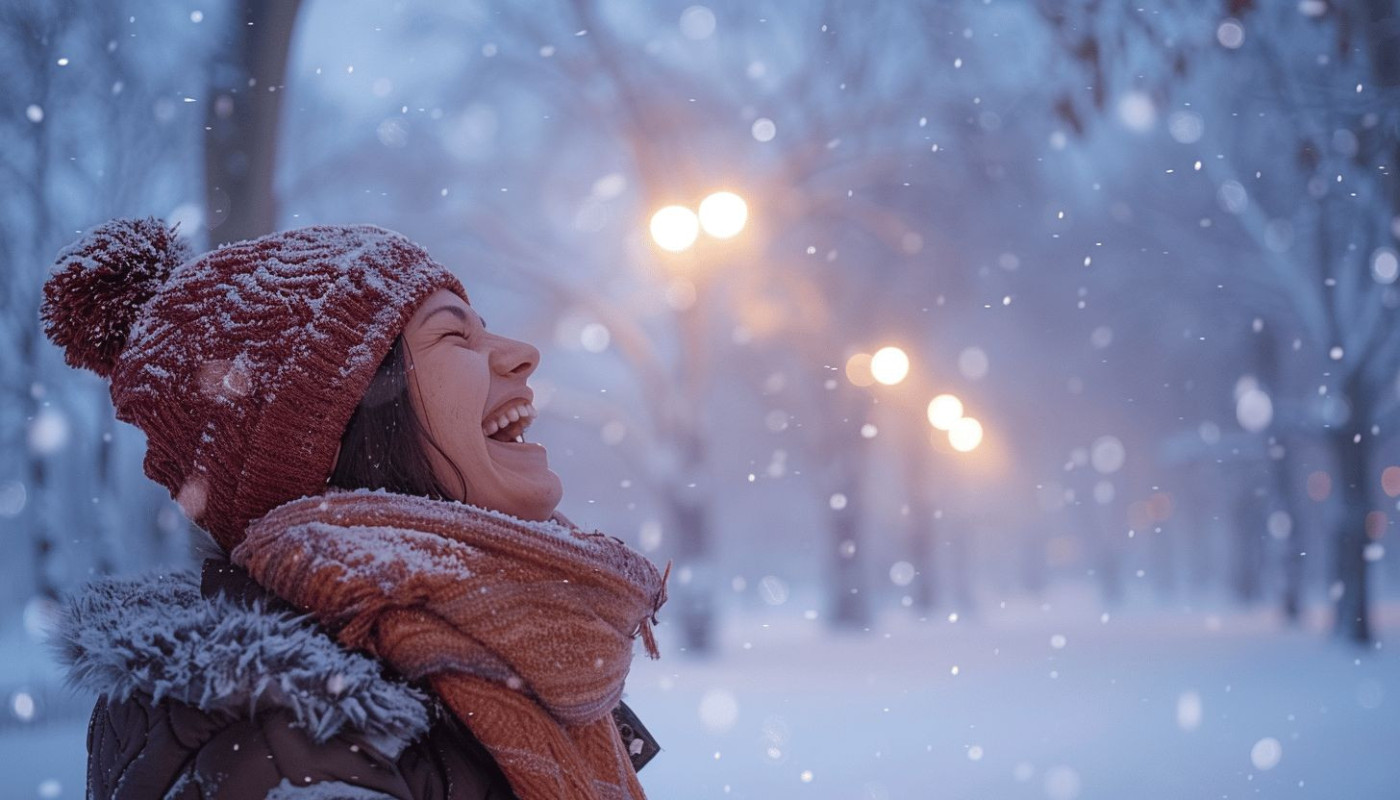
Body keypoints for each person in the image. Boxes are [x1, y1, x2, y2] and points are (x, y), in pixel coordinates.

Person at [42, 218, 669, 799]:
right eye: (455, 333)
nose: (520, 351)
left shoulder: (497, 668)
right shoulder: (292, 738)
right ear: (340, 431)